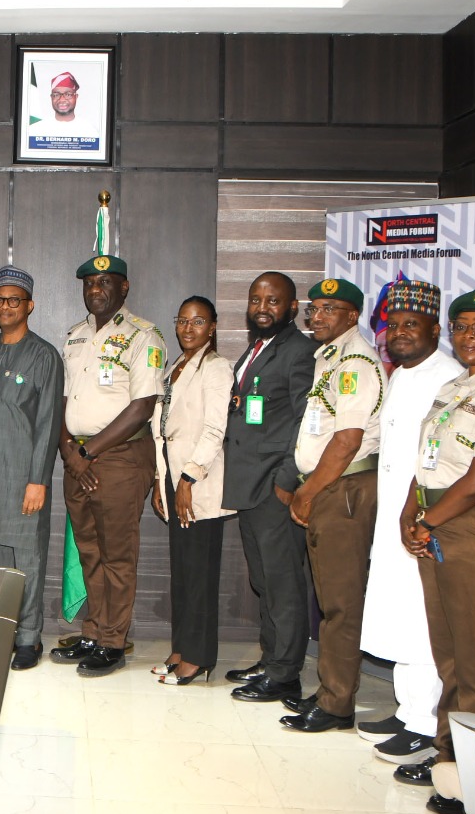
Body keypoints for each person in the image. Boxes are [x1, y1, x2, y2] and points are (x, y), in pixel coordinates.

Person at [389, 286, 475, 808]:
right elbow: (427, 461)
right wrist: (410, 513)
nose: (469, 336)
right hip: (435, 523)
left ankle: (474, 774)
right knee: (449, 655)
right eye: (462, 327)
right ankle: (448, 755)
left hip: (468, 529)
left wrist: (426, 520)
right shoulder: (455, 387)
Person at [279, 278, 386, 733]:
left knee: (340, 604)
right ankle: (329, 691)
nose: (317, 317)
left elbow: (347, 441)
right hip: (329, 486)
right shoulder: (331, 357)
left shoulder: (356, 362)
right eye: (314, 309)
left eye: (329, 309)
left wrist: (307, 492)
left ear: (352, 316)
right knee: (328, 600)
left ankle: (338, 703)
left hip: (343, 490)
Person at [359, 280, 459, 762]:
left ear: (435, 329)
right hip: (391, 515)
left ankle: (424, 722)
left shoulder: (449, 378)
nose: (398, 332)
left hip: (422, 517)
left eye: (410, 324)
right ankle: (407, 710)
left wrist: (420, 514)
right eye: (393, 324)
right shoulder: (399, 375)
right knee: (398, 610)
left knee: (421, 617)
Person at [52, 254, 163, 678]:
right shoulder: (75, 336)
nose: (95, 290)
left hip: (120, 459)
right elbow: (65, 401)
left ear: (124, 287)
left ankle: (114, 641)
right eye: (89, 284)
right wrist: (68, 449)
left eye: (104, 283)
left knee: (117, 555)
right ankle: (93, 631)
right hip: (78, 458)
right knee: (89, 552)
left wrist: (87, 453)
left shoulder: (143, 336)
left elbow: (141, 408)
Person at [222, 272, 317, 703]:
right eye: (256, 299)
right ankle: (271, 658)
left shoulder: (299, 351)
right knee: (264, 580)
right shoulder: (258, 348)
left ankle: (285, 675)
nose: (263, 308)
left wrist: (287, 479)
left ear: (293, 307)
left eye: (273, 300)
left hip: (274, 485)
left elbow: (305, 420)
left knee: (283, 584)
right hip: (250, 482)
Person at [0, 267, 64, 671]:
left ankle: (28, 638)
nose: (5, 307)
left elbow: (49, 423)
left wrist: (38, 480)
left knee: (27, 558)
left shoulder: (44, 355)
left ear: (29, 306)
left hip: (24, 475)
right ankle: (2, 630)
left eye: (14, 300)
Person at [150, 296, 234, 686]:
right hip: (172, 477)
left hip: (198, 481)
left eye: (198, 322)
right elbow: (163, 429)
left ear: (212, 327)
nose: (188, 328)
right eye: (182, 321)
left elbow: (215, 429)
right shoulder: (175, 368)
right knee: (182, 573)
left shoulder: (216, 368)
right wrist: (160, 480)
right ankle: (181, 648)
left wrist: (187, 479)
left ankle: (198, 658)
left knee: (200, 573)